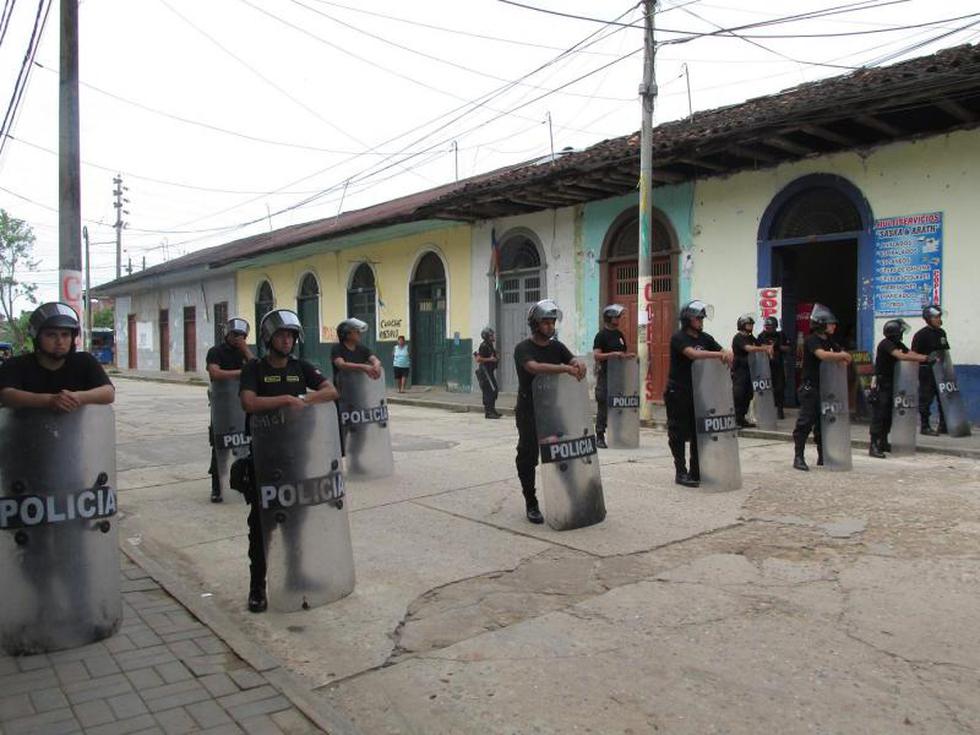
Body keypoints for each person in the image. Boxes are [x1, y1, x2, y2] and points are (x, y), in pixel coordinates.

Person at [239, 309, 338, 613]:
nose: (286, 340)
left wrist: (305, 400)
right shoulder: (255, 368)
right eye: (281, 335)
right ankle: (258, 587)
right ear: (269, 338)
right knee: (262, 526)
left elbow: (331, 390)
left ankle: (296, 576)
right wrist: (285, 400)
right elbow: (249, 402)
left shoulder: (300, 367)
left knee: (296, 522)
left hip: (297, 455)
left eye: (291, 336)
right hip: (264, 458)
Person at [514, 300, 587, 524]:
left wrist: (578, 363)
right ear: (535, 324)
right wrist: (565, 368)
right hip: (529, 410)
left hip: (554, 409)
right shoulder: (523, 348)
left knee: (563, 452)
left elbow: (572, 358)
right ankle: (531, 502)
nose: (550, 326)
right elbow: (533, 367)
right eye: (546, 322)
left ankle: (573, 497)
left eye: (552, 322)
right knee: (528, 456)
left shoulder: (557, 347)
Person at [663, 300, 732, 488]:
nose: (701, 321)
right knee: (677, 432)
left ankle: (696, 471)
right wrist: (718, 355)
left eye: (702, 318)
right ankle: (681, 471)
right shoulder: (679, 338)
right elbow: (692, 354)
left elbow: (722, 350)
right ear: (687, 319)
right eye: (698, 318)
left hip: (699, 392)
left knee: (699, 432)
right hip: (678, 391)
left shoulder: (705, 338)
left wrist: (727, 353)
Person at [0, 302, 114, 410]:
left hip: (78, 424)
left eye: (65, 335)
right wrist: (49, 400)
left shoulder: (84, 361)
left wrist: (77, 397)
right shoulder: (16, 364)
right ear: (37, 337)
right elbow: (7, 395)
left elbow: (108, 392)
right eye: (51, 335)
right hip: (26, 424)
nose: (60, 341)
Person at [792, 303, 852, 471]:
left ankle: (823, 455)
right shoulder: (812, 340)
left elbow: (843, 357)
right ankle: (798, 457)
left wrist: (842, 356)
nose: (833, 326)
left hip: (827, 388)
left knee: (824, 424)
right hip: (810, 388)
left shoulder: (830, 341)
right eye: (830, 324)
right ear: (821, 324)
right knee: (805, 423)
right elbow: (823, 355)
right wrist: (842, 355)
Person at [869, 319, 932, 458]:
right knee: (879, 415)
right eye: (900, 332)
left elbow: (910, 353)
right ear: (895, 333)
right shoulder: (886, 344)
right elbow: (901, 356)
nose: (902, 334)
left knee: (888, 415)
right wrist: (923, 359)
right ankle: (873, 445)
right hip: (881, 384)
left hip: (893, 384)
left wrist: (926, 357)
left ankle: (883, 442)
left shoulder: (897, 344)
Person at [205, 318, 253, 503]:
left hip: (242, 406)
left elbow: (256, 367)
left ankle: (244, 483)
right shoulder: (216, 352)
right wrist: (241, 372)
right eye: (235, 334)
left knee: (244, 446)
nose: (238, 338)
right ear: (227, 334)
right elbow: (215, 373)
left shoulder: (245, 352)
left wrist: (245, 349)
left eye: (242, 335)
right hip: (222, 407)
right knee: (220, 447)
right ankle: (217, 488)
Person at [592, 304, 634, 448]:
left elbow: (622, 353)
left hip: (619, 375)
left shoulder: (619, 335)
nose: (618, 319)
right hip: (605, 375)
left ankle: (617, 435)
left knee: (618, 405)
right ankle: (600, 436)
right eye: (616, 317)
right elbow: (597, 355)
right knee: (603, 405)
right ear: (609, 318)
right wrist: (613, 354)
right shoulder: (601, 335)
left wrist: (628, 357)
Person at [910, 304, 949, 436]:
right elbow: (913, 354)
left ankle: (943, 425)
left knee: (943, 398)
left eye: (939, 317)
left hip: (941, 370)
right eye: (936, 317)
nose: (939, 320)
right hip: (926, 371)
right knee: (926, 399)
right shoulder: (921, 335)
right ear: (928, 319)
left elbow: (944, 351)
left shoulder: (941, 333)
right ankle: (925, 426)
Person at [730, 314, 773, 429]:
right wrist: (764, 348)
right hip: (740, 371)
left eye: (752, 324)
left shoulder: (750, 338)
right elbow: (749, 348)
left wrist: (769, 347)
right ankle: (735, 419)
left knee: (748, 394)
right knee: (739, 395)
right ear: (742, 325)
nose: (751, 326)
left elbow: (759, 345)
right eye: (749, 324)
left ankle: (742, 418)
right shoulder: (739, 337)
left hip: (750, 370)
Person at [756, 316, 791, 419]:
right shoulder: (761, 336)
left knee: (779, 388)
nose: (768, 329)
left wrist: (777, 347)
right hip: (765, 366)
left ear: (775, 327)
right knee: (765, 388)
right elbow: (756, 348)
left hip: (778, 365)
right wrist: (765, 347)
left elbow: (788, 348)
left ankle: (779, 409)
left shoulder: (781, 335)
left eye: (770, 327)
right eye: (766, 327)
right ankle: (766, 410)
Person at [331, 318, 383, 386]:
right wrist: (364, 367)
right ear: (347, 335)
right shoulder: (337, 348)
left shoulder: (362, 349)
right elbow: (341, 365)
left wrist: (376, 365)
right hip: (343, 388)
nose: (360, 334)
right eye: (357, 332)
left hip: (360, 388)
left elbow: (374, 359)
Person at [474, 327, 502, 419]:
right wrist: (490, 359)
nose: (493, 336)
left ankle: (492, 410)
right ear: (486, 336)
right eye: (491, 335)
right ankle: (489, 412)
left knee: (494, 390)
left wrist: (496, 357)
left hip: (489, 371)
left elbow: (493, 357)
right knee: (488, 392)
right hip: (485, 372)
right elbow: (478, 359)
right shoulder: (484, 346)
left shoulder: (490, 345)